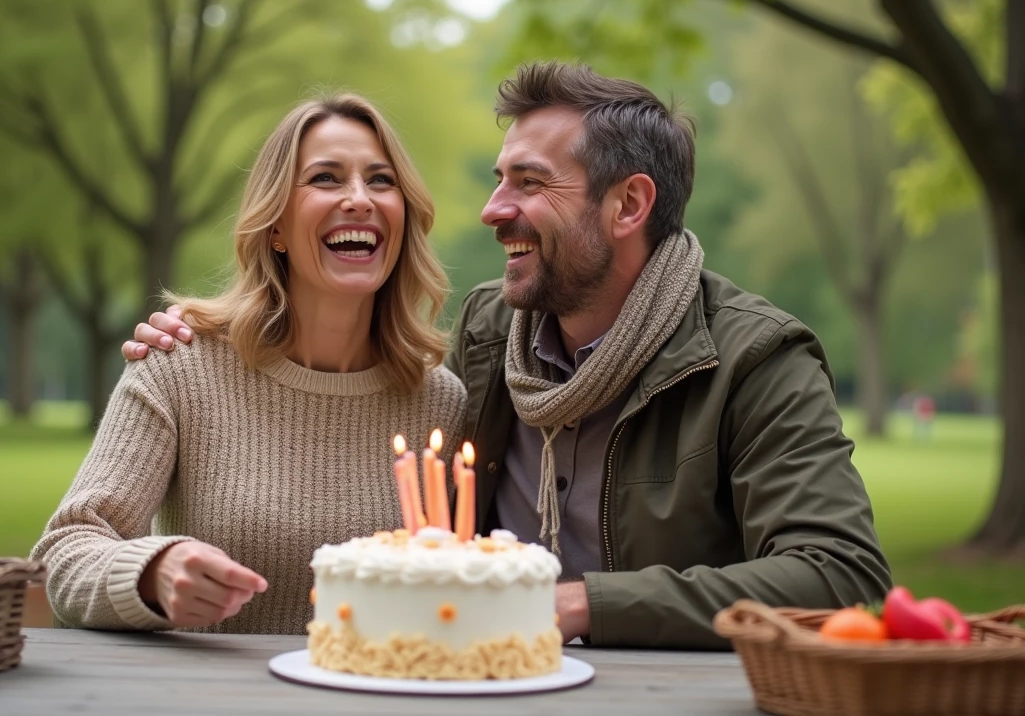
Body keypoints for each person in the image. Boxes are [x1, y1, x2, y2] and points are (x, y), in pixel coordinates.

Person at [126, 61, 892, 649]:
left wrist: (581, 602)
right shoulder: (492, 331)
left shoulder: (756, 359)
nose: (494, 211)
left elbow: (839, 572)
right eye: (499, 181)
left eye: (529, 184)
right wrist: (203, 337)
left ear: (627, 206)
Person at [33, 94, 467, 636]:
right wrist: (151, 574)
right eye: (326, 178)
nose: (359, 198)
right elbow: (67, 549)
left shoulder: (444, 403)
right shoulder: (178, 367)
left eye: (381, 180)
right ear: (276, 227)